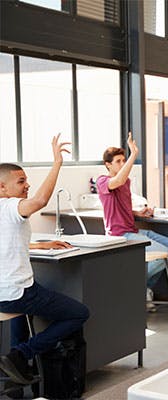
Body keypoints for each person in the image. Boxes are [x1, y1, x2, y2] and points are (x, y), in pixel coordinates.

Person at [0, 135, 89, 385]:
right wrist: (57, 162)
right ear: (2, 188)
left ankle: (15, 379)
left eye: (26, 180)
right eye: (21, 182)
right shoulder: (10, 206)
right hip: (16, 293)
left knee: (20, 318)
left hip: (4, 295)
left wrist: (41, 244)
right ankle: (20, 354)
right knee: (78, 313)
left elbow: (6, 243)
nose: (27, 185)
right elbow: (40, 201)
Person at [97, 133, 168, 305]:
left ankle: (144, 289)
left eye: (123, 160)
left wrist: (137, 213)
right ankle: (131, 287)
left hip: (133, 230)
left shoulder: (125, 182)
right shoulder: (103, 181)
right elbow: (117, 181)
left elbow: (121, 204)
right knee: (166, 255)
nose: (122, 164)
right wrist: (134, 154)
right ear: (108, 165)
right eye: (118, 161)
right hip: (120, 235)